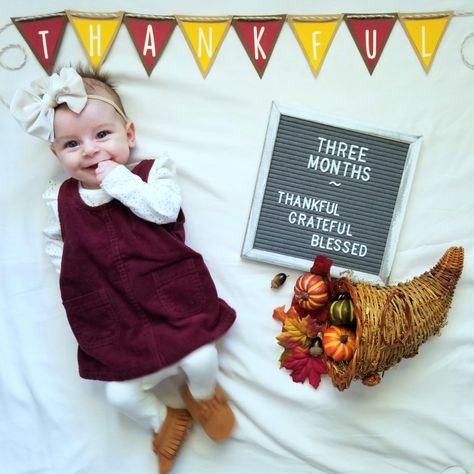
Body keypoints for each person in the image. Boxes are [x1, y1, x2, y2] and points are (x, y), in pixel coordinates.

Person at [10, 66, 237, 474]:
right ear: (56, 154)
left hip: (171, 304)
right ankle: (165, 419)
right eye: (72, 143)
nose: (91, 151)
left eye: (102, 135)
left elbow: (164, 210)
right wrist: (74, 277)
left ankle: (204, 396)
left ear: (129, 135)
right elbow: (56, 245)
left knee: (202, 357)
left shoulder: (152, 174)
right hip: (114, 317)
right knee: (119, 396)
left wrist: (120, 182)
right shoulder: (60, 201)